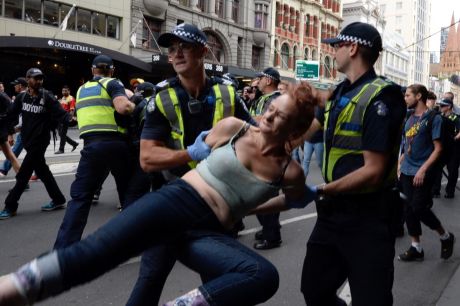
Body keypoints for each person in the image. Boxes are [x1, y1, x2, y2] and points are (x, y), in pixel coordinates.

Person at [0, 81, 319, 306]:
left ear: (294, 129)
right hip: (175, 204)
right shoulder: (233, 128)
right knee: (102, 257)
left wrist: (248, 209)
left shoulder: (290, 171)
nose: (268, 116)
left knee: (262, 275)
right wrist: (191, 148)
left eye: (281, 116)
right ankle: (10, 290)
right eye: (271, 108)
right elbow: (184, 155)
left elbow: (288, 200)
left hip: (208, 233)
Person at [127, 23, 255, 306]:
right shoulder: (162, 98)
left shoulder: (228, 93)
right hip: (171, 205)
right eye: (172, 49)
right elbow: (147, 159)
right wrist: (191, 153)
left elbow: (258, 139)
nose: (177, 53)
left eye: (184, 46)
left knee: (219, 286)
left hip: (216, 207)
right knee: (149, 280)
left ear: (203, 51)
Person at [300, 22, 407, 306]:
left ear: (353, 47)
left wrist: (321, 189)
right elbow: (315, 126)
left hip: (368, 219)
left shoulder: (383, 96)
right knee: (314, 290)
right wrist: (275, 139)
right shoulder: (340, 91)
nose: (333, 51)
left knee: (372, 300)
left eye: (337, 45)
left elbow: (373, 172)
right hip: (332, 215)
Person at [53, 54, 135, 248]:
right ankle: (133, 242)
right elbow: (123, 108)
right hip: (116, 145)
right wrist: (137, 104)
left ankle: (63, 249)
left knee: (80, 199)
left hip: (91, 147)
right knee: (128, 195)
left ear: (92, 70)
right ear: (112, 70)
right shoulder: (113, 83)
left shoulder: (81, 90)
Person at [0, 68, 69, 220]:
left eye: (41, 78)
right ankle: (58, 199)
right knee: (43, 171)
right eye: (35, 78)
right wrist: (8, 127)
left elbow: (61, 114)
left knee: (23, 174)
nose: (39, 81)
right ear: (27, 79)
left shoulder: (47, 97)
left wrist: (73, 120)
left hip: (40, 141)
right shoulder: (22, 98)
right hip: (28, 140)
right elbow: (10, 115)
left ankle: (10, 205)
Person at [397, 84, 455, 262]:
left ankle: (445, 236)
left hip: (423, 170)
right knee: (408, 209)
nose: (405, 98)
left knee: (419, 208)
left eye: (408, 95)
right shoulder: (409, 118)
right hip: (407, 170)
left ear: (419, 96)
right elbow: (407, 146)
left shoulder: (433, 118)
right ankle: (416, 248)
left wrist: (422, 169)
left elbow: (438, 149)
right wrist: (399, 165)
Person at [249, 67, 284, 250]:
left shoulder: (277, 100)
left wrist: (247, 118)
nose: (258, 81)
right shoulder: (264, 98)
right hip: (260, 151)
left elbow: (267, 122)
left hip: (270, 154)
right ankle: (269, 228)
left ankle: (272, 237)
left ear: (269, 80)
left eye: (261, 78)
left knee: (266, 195)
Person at [0, 78, 28, 177]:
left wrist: (12, 132)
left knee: (14, 152)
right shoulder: (27, 95)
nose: (14, 86)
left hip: (24, 129)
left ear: (20, 86)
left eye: (15, 85)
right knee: (13, 154)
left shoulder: (20, 97)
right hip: (24, 129)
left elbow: (15, 116)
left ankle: (4, 169)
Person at [0, 87, 21, 177]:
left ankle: (23, 180)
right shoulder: (3, 97)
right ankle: (22, 180)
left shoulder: (3, 97)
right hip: (2, 130)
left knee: (10, 155)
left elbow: (12, 115)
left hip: (1, 130)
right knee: (10, 155)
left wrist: (10, 133)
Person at [55, 85, 79, 154]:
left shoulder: (71, 98)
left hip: (65, 118)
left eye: (65, 91)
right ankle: (74, 143)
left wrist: (70, 118)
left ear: (69, 91)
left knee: (62, 133)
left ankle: (61, 149)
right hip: (60, 118)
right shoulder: (63, 98)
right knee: (61, 133)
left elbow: (72, 110)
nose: (64, 92)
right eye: (63, 91)